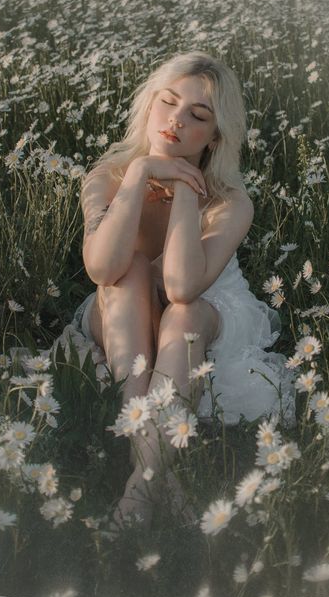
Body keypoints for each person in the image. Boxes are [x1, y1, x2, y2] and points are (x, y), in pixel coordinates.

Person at [72, 51, 295, 534]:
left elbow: (179, 286)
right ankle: (157, 471)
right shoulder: (107, 177)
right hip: (121, 307)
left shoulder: (232, 202)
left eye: (197, 116)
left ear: (215, 137)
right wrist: (139, 176)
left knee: (184, 316)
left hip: (202, 310)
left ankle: (140, 485)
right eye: (168, 103)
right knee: (129, 268)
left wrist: (187, 189)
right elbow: (101, 268)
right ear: (149, 105)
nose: (176, 121)